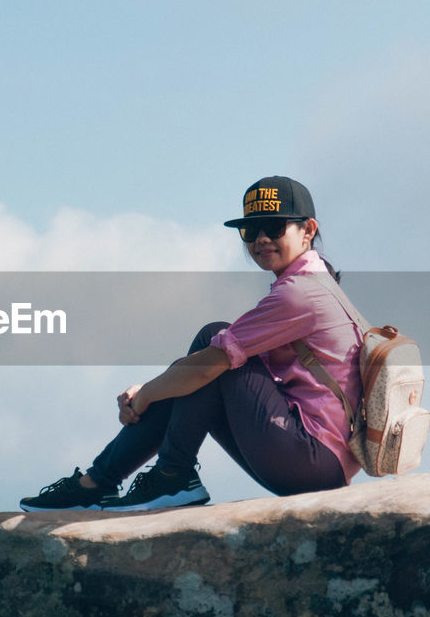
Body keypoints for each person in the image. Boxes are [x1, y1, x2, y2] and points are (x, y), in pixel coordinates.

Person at [19, 175, 364, 512]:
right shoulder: (316, 283)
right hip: (314, 460)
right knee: (203, 364)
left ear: (308, 230)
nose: (260, 239)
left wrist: (146, 395)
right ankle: (106, 483)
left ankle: (160, 476)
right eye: (250, 230)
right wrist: (153, 389)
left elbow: (212, 362)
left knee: (211, 348)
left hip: (311, 459)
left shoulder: (300, 295)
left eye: (274, 228)